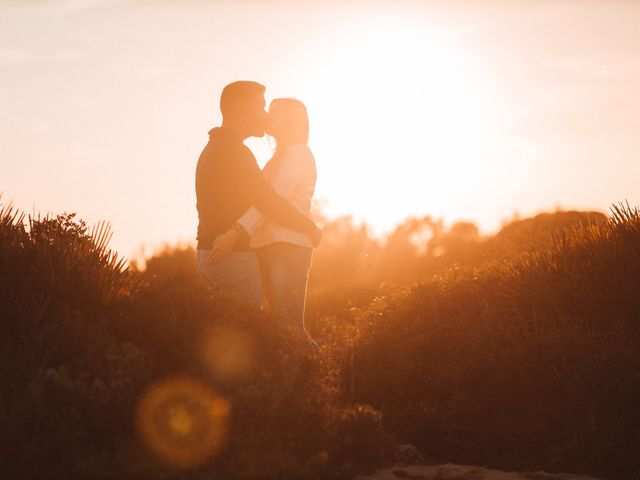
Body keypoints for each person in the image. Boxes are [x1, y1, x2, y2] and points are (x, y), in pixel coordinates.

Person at [195, 81, 320, 308]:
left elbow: (267, 200)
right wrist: (309, 227)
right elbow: (268, 202)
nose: (266, 116)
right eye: (263, 108)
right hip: (230, 254)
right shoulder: (234, 151)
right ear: (245, 111)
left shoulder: (218, 147)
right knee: (255, 330)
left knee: (276, 329)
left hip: (216, 251)